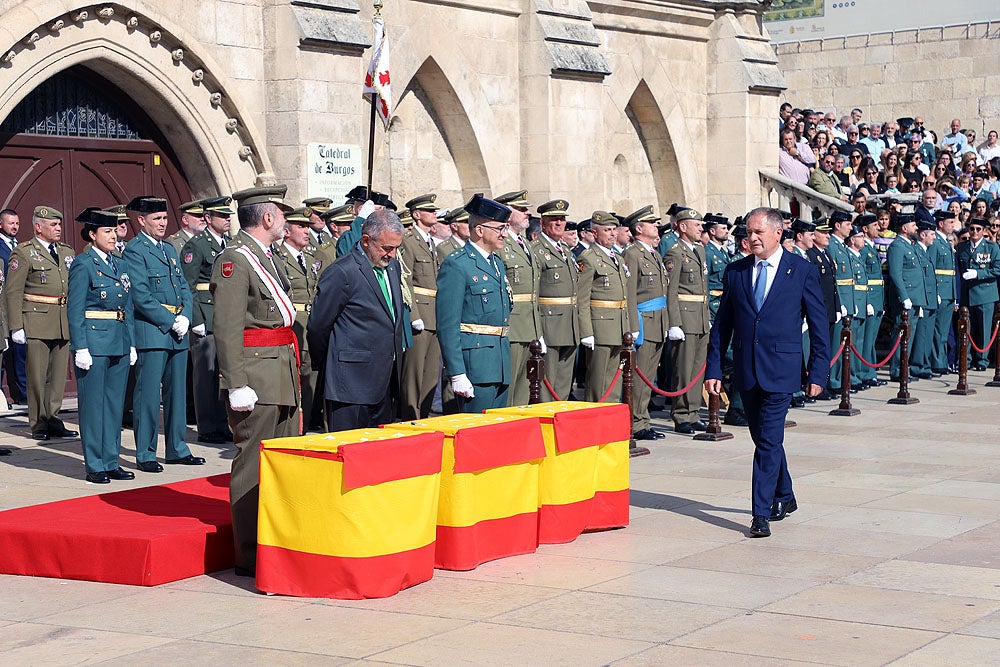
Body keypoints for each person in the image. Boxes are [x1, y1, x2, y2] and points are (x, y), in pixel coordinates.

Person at [706, 207, 829, 538]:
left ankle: (760, 513)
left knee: (767, 442)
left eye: (759, 231)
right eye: (749, 232)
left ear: (778, 233)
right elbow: (722, 326)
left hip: (782, 369)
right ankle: (785, 494)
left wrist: (818, 373)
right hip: (747, 369)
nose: (753, 238)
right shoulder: (737, 272)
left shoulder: (800, 270)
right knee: (766, 439)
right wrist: (714, 368)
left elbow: (819, 325)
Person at [212, 185, 300, 577]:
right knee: (252, 462)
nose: (284, 221)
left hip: (280, 370)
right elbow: (227, 327)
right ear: (268, 218)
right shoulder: (236, 260)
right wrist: (235, 383)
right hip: (256, 376)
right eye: (281, 214)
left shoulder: (266, 257)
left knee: (283, 459)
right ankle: (248, 552)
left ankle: (275, 539)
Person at [123, 196, 202, 471]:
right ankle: (145, 453)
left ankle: (177, 448)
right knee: (147, 396)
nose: (162, 223)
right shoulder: (135, 250)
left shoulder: (169, 249)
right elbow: (141, 296)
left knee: (177, 394)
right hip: (153, 331)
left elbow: (184, 286)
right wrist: (171, 320)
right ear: (141, 221)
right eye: (156, 219)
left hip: (176, 331)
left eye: (164, 218)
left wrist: (186, 317)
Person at [307, 209, 403, 429]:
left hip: (385, 382)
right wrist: (332, 366)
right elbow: (318, 327)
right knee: (349, 454)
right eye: (387, 248)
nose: (392, 255)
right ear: (366, 240)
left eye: (397, 248)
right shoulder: (342, 272)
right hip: (350, 385)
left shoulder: (392, 268)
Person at [68, 209, 136, 483]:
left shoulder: (119, 264)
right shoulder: (83, 265)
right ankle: (95, 463)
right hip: (94, 343)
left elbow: (127, 307)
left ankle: (111, 460)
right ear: (92, 234)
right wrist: (80, 346)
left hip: (118, 341)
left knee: (113, 406)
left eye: (114, 231)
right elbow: (75, 309)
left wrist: (130, 342)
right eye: (106, 231)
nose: (113, 236)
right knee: (93, 406)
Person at [5, 206, 78, 441]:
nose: (58, 229)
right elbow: (13, 291)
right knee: (37, 375)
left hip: (62, 319)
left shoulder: (66, 251)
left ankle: (54, 418)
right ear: (38, 227)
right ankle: (39, 423)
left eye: (59, 224)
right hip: (36, 319)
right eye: (53, 225)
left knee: (57, 376)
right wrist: (16, 326)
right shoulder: (24, 252)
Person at [436, 194, 513, 412]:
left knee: (496, 433)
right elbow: (447, 324)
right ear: (480, 230)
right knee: (475, 435)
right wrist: (457, 372)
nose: (504, 235)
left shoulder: (496, 263)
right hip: (476, 365)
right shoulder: (457, 264)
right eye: (500, 229)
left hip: (499, 362)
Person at [180, 196, 234, 444]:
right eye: (222, 216)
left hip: (226, 314)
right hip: (207, 314)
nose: (227, 220)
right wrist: (196, 318)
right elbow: (188, 286)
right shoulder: (197, 246)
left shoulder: (230, 244)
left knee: (224, 373)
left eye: (228, 216)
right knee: (206, 376)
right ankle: (208, 426)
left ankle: (222, 423)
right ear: (208, 218)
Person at [576, 211, 636, 404]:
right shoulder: (588, 258)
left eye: (614, 230)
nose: (612, 234)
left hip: (618, 326)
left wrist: (629, 326)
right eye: (607, 230)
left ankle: (609, 420)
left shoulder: (617, 259)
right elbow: (582, 298)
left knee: (615, 378)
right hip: (600, 327)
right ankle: (594, 422)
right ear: (594, 233)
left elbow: (625, 297)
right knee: (598, 381)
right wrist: (586, 331)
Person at [274, 207, 323, 432]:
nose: (306, 231)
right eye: (301, 227)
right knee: (293, 379)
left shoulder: (312, 258)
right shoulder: (278, 258)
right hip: (292, 324)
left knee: (310, 376)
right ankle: (292, 428)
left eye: (307, 227)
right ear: (286, 231)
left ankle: (305, 428)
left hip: (311, 324)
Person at [665, 208, 711, 434]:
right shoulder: (675, 253)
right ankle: (681, 414)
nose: (701, 228)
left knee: (696, 369)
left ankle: (693, 412)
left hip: (700, 316)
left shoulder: (700, 251)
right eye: (696, 224)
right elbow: (671, 291)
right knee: (683, 369)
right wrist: (674, 322)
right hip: (685, 317)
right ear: (683, 227)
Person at [624, 205, 668, 439]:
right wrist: (632, 326)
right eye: (652, 223)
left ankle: (643, 419)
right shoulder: (632, 254)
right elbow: (630, 294)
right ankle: (636, 422)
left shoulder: (654, 253)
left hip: (658, 321)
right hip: (643, 322)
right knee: (639, 376)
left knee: (649, 376)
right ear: (639, 228)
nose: (656, 226)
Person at [530, 199, 581, 401]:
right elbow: (533, 293)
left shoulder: (566, 250)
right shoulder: (536, 250)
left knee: (564, 383)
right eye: (554, 220)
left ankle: (560, 423)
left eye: (562, 219)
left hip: (569, 323)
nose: (560, 223)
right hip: (549, 323)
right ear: (543, 223)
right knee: (547, 382)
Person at [496, 190, 543, 406]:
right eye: (522, 209)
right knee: (510, 385)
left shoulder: (526, 246)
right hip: (512, 323)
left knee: (526, 384)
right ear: (507, 212)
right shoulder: (501, 245)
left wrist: (538, 330)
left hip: (529, 324)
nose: (528, 213)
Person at [399, 193, 442, 419]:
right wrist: (413, 314)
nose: (435, 213)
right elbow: (405, 278)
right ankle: (410, 417)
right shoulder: (409, 240)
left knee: (431, 373)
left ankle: (422, 416)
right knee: (414, 373)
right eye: (430, 210)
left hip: (434, 314)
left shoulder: (430, 242)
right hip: (420, 314)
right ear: (417, 215)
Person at [887, 214, 928, 381]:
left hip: (915, 299)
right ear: (904, 228)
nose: (916, 228)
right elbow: (896, 274)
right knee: (901, 335)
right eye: (913, 225)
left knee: (908, 337)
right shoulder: (897, 246)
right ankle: (897, 370)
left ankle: (904, 368)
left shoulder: (910, 246)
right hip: (905, 300)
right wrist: (904, 297)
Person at [956, 217, 1000, 371]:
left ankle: (982, 361)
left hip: (985, 294)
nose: (974, 232)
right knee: (966, 329)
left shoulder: (991, 248)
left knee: (983, 330)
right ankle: (965, 360)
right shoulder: (962, 247)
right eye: (972, 229)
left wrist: (978, 273)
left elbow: (997, 269)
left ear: (984, 231)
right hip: (967, 294)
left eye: (978, 229)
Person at [0, 208, 27, 406]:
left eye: (17, 223)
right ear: (1, 224)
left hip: (19, 305)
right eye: (11, 223)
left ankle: (22, 392)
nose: (15, 226)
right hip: (3, 304)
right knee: (3, 348)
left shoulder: (21, 246)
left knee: (20, 350)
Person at [857, 214, 887, 388]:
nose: (878, 228)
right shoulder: (863, 249)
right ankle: (864, 373)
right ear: (865, 229)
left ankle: (870, 371)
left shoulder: (871, 247)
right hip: (869, 296)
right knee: (866, 338)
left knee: (872, 338)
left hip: (877, 296)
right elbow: (862, 277)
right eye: (874, 225)